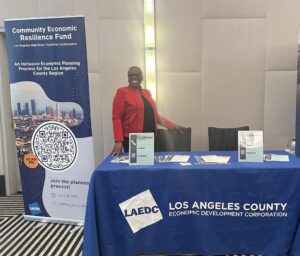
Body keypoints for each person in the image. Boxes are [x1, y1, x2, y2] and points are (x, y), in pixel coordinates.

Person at [111, 66, 184, 155]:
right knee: (137, 167)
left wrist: (172, 126)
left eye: (137, 75)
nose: (134, 77)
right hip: (133, 140)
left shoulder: (147, 93)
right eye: (131, 75)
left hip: (150, 138)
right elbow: (116, 117)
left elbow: (155, 116)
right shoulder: (122, 92)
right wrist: (118, 141)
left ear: (142, 78)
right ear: (128, 78)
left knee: (149, 166)